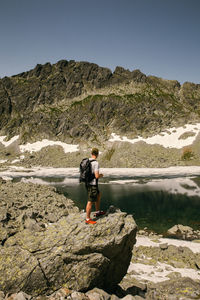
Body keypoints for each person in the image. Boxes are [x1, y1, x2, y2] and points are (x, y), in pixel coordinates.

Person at [85, 147, 105, 224]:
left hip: (88, 183)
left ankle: (97, 211)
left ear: (91, 153)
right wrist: (101, 175)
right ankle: (87, 219)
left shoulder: (88, 161)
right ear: (97, 154)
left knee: (98, 195)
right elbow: (96, 176)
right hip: (92, 184)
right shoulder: (95, 163)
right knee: (90, 201)